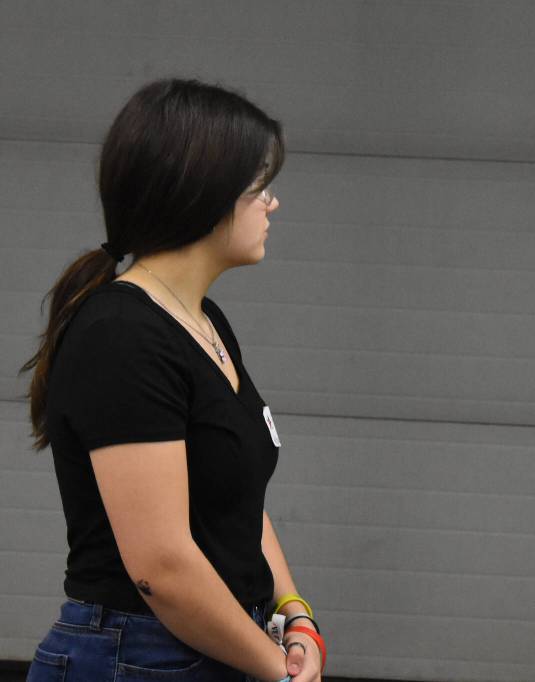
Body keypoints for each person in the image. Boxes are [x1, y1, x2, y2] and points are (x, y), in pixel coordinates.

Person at [22, 79, 325, 681]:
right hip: (137, 656)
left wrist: (294, 614)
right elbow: (161, 568)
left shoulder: (205, 322)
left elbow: (236, 503)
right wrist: (276, 669)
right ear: (203, 195)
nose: (272, 203)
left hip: (219, 642)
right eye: (258, 186)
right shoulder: (121, 335)